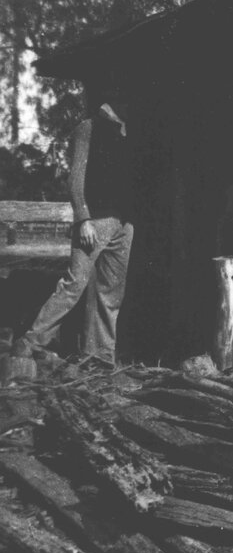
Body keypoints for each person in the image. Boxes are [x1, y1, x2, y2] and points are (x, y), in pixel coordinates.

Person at [14, 84, 133, 365]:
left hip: (124, 223)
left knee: (110, 293)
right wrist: (83, 219)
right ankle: (30, 341)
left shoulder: (128, 132)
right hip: (96, 222)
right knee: (73, 285)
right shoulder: (88, 127)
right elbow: (75, 178)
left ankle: (100, 355)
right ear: (113, 96)